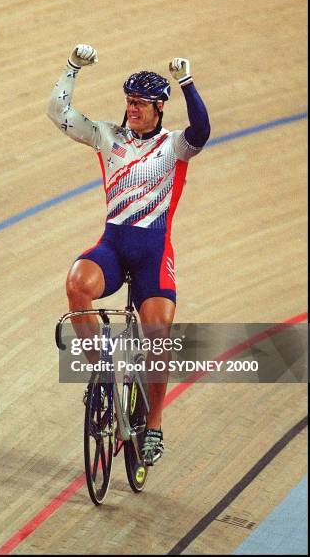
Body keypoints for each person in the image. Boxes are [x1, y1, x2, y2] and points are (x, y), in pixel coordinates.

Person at [47, 44, 210, 465]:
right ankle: (101, 370)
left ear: (158, 107)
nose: (131, 109)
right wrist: (71, 69)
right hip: (114, 248)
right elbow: (58, 112)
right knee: (76, 285)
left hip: (153, 255)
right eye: (128, 102)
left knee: (157, 336)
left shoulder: (174, 146)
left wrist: (188, 84)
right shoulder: (108, 136)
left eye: (139, 103)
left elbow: (202, 130)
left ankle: (154, 423)